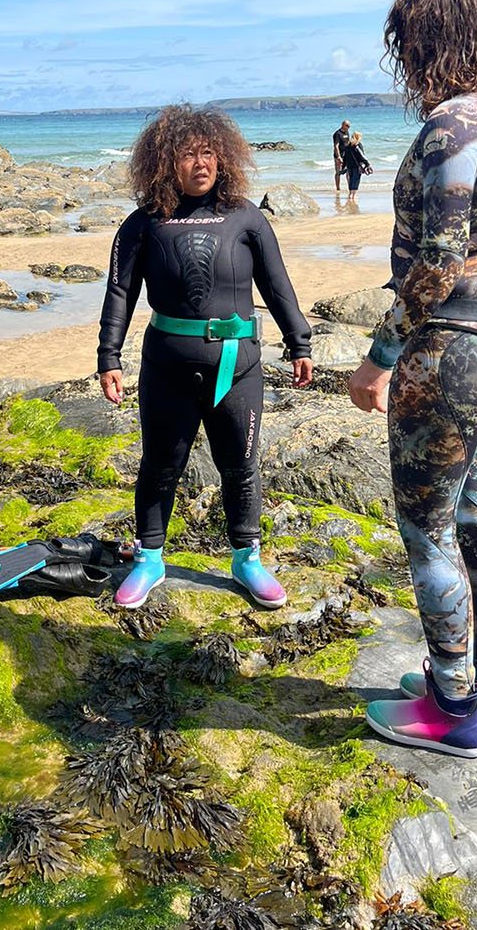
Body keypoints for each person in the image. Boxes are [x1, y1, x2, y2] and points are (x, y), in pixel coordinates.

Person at [348, 0, 477, 759]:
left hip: (450, 349)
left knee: (426, 529)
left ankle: (452, 706)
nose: (402, 59)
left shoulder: (453, 126)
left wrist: (378, 354)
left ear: (422, 42)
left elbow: (437, 262)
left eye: (405, 43)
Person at [97, 104, 314, 610]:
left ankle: (247, 557)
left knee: (240, 464)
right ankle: (150, 558)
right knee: (159, 464)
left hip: (238, 365)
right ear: (163, 164)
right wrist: (109, 357)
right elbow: (119, 294)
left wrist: (298, 342)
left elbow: (278, 286)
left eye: (209, 153)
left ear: (224, 157)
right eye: (187, 155)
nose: (200, 163)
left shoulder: (246, 217)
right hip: (166, 365)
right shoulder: (143, 224)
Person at [342, 132, 373, 202]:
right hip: (357, 166)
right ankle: (354, 195)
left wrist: (343, 166)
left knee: (351, 179)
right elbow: (361, 156)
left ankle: (350, 194)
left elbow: (344, 157)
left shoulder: (347, 146)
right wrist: (367, 164)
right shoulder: (357, 145)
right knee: (356, 180)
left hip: (349, 166)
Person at [332, 119, 351, 192]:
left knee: (348, 171)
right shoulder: (337, 134)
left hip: (347, 155)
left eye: (349, 126)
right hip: (339, 156)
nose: (348, 127)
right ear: (342, 125)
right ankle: (338, 188)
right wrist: (339, 157)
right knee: (338, 172)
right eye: (347, 126)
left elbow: (348, 142)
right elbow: (336, 146)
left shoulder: (347, 132)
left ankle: (350, 187)